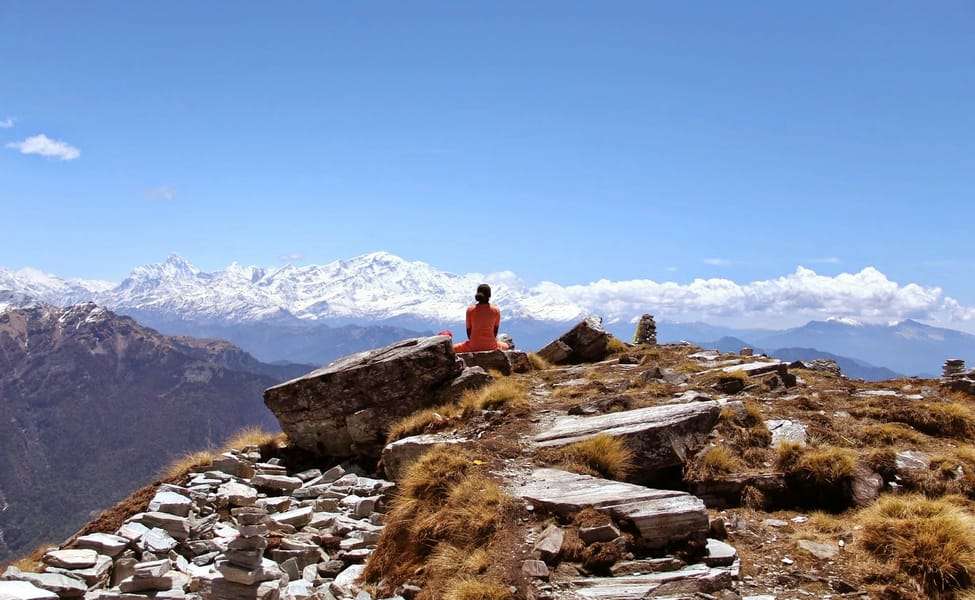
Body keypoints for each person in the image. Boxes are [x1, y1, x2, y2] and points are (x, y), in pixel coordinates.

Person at [453, 283, 510, 352]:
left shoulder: (470, 310)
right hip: (491, 346)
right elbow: (495, 332)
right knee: (506, 346)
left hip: (473, 346)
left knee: (453, 348)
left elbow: (469, 332)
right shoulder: (496, 310)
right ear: (489, 295)